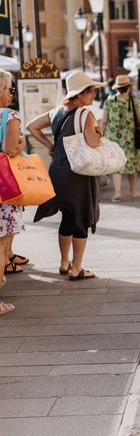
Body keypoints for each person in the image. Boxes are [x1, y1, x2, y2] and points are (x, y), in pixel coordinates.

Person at [28, 71, 105, 281]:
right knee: (81, 219)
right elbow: (93, 143)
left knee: (67, 217)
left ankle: (64, 263)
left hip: (57, 172)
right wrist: (99, 131)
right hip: (78, 173)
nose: (93, 96)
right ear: (79, 94)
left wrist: (49, 145)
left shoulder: (56, 112)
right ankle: (76, 268)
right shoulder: (85, 114)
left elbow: (31, 126)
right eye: (90, 91)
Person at [0, 70, 26, 315]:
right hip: (3, 190)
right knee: (1, 246)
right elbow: (9, 149)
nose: (11, 94)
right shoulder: (9, 116)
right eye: (10, 89)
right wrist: (22, 144)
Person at [101, 75, 140, 202]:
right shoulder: (133, 102)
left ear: (117, 88)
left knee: (117, 166)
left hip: (113, 140)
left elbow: (104, 121)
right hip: (130, 139)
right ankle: (133, 191)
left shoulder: (109, 101)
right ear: (128, 88)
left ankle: (117, 194)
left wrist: (100, 136)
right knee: (132, 164)